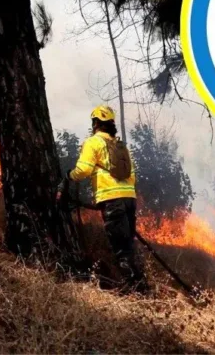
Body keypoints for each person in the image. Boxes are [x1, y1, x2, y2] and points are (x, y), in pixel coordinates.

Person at [58, 105, 148, 293]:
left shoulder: (93, 142)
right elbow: (133, 176)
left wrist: (69, 175)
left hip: (111, 200)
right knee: (128, 244)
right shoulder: (121, 146)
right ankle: (142, 285)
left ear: (96, 123)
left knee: (121, 249)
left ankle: (136, 292)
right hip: (129, 199)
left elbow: (83, 170)